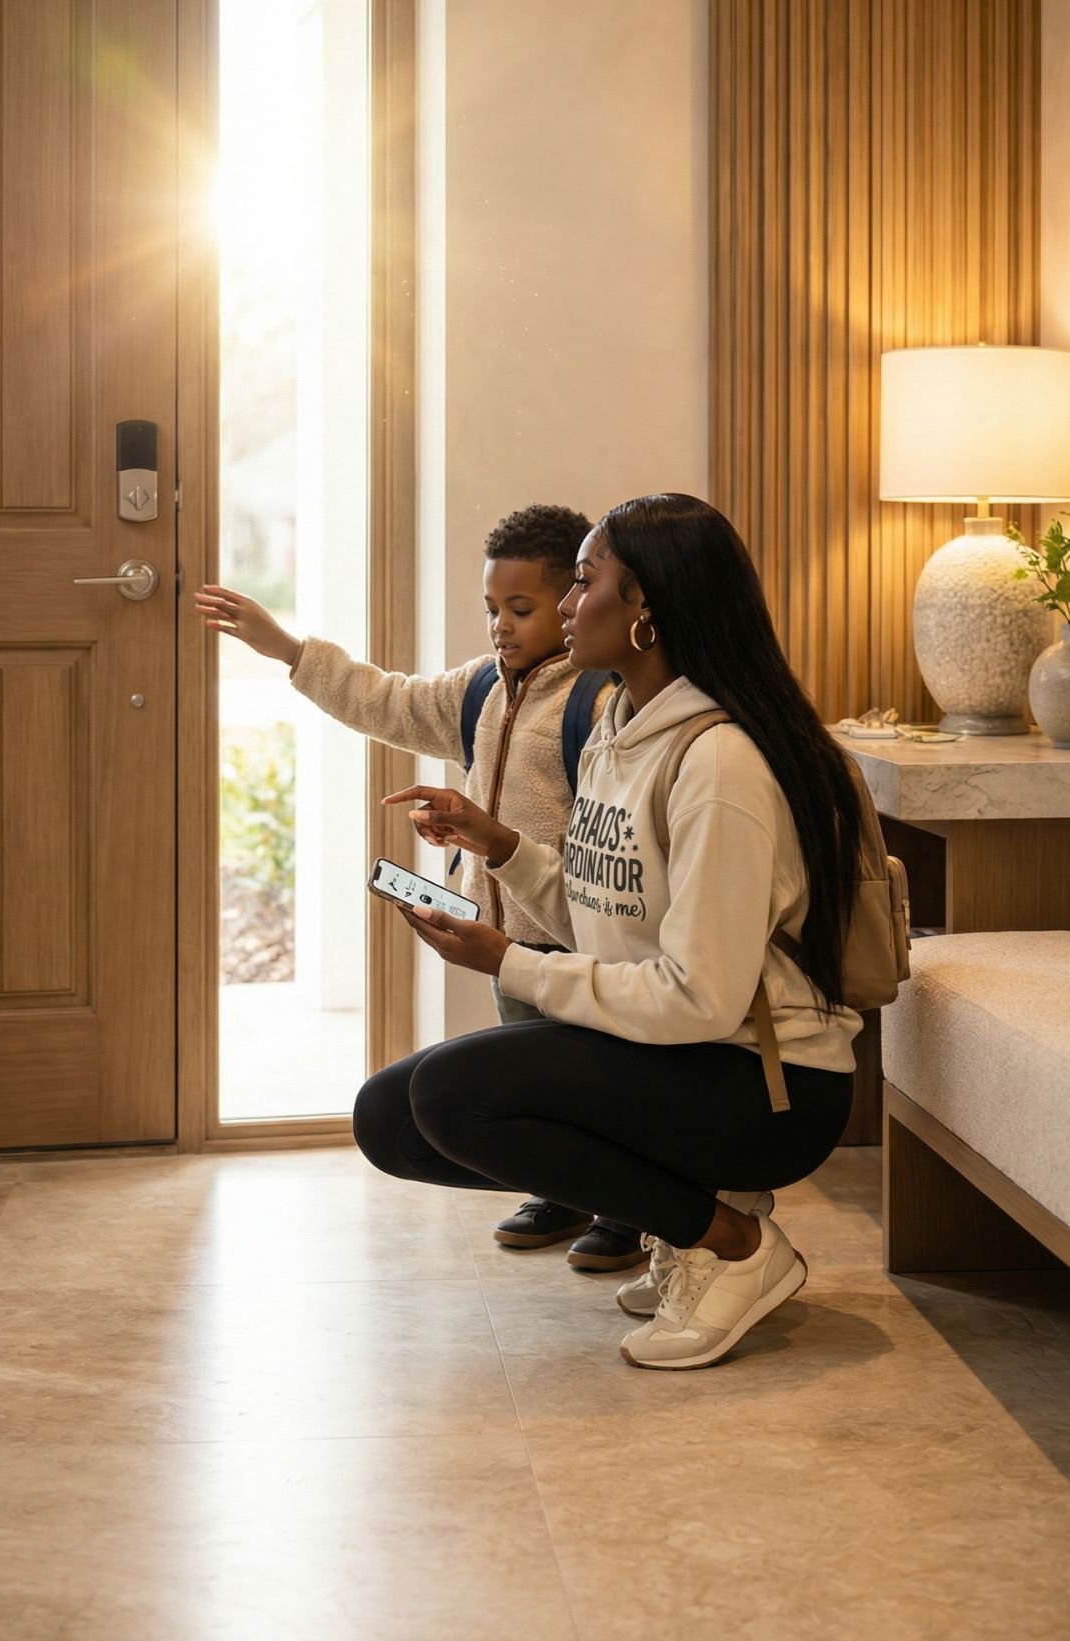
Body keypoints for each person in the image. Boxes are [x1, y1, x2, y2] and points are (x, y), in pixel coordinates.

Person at [353, 492, 863, 1370]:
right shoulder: (619, 732)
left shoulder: (720, 763)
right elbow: (603, 914)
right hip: (679, 1056)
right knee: (389, 1121)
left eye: (583, 584)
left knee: (448, 1096)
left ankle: (734, 1245)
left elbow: (701, 997)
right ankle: (686, 1220)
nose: (562, 607)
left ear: (645, 612)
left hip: (765, 1086)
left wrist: (510, 962)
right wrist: (499, 845)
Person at [194, 504, 646, 1272]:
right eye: (491, 609)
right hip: (500, 938)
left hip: (577, 938)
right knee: (533, 1081)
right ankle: (560, 1188)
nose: (501, 625)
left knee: (599, 1080)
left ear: (571, 599)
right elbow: (385, 700)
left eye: (522, 609)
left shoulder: (597, 702)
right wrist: (288, 650)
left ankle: (627, 1209)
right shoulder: (481, 691)